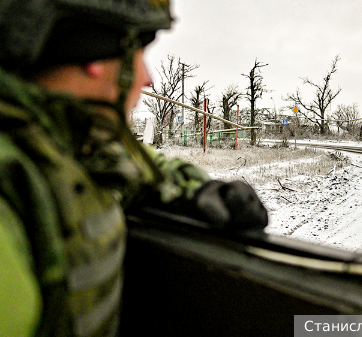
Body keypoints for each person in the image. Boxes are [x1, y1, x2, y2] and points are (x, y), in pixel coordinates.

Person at [0, 1, 267, 336]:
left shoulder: (64, 139)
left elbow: (129, 162)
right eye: (139, 56)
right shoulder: (12, 186)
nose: (148, 79)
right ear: (93, 58)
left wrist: (193, 190)